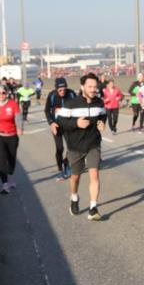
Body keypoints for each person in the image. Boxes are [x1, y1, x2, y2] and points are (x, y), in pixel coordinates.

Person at [53, 73, 106, 221]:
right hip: (75, 146)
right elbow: (61, 122)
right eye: (90, 86)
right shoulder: (71, 104)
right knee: (75, 177)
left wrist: (102, 123)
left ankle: (93, 208)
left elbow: (103, 115)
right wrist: (76, 124)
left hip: (93, 144)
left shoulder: (99, 103)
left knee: (94, 174)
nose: (93, 89)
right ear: (82, 87)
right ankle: (74, 197)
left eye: (95, 87)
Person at [0, 84, 23, 194]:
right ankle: (4, 184)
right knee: (1, 159)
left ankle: (10, 177)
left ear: (7, 93)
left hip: (12, 135)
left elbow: (18, 117)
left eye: (3, 93)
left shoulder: (13, 104)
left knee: (11, 159)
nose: (1, 95)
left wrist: (19, 128)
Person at [45, 77, 78, 181]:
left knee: (73, 147)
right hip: (57, 125)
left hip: (69, 124)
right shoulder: (52, 95)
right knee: (60, 148)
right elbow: (47, 110)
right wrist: (51, 123)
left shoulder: (71, 94)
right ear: (56, 89)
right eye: (60, 90)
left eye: (64, 89)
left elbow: (78, 108)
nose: (62, 92)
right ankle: (60, 170)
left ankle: (66, 162)